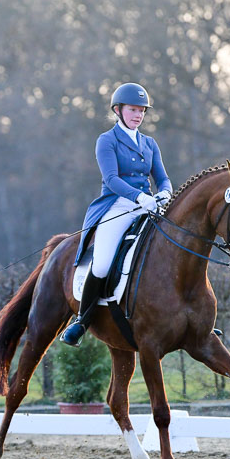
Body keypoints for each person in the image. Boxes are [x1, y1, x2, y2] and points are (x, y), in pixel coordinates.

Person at [60, 82, 172, 346]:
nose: (138, 116)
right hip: (119, 206)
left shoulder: (149, 143)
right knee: (101, 264)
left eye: (142, 111)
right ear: (118, 110)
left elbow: (162, 178)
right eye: (133, 110)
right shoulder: (107, 141)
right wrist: (139, 196)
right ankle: (82, 321)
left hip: (149, 206)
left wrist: (165, 193)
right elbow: (111, 179)